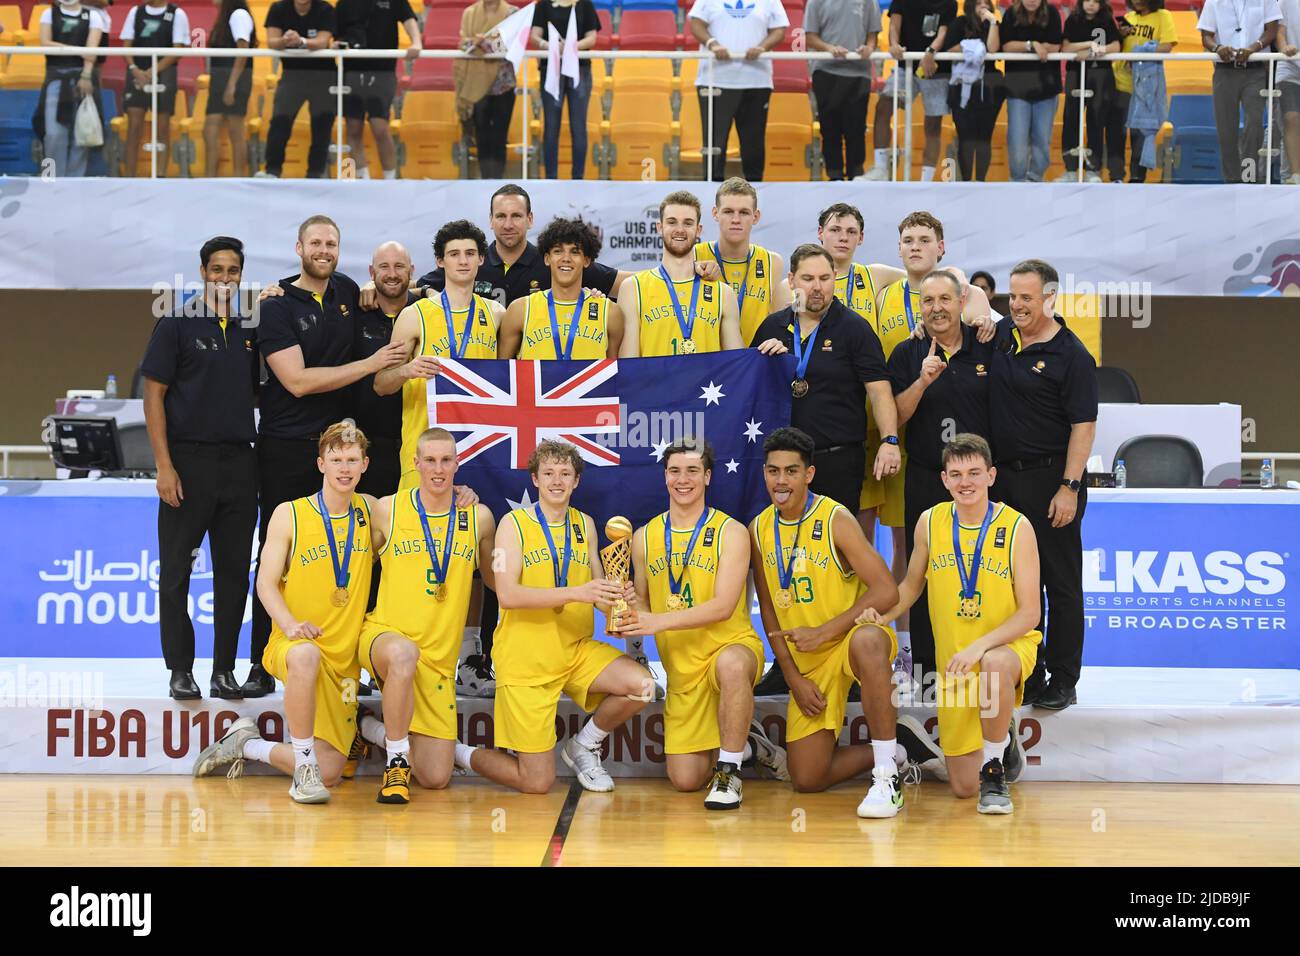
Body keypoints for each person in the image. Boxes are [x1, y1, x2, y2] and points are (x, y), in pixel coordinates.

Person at [245, 215, 407, 697]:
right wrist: (371, 364)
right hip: (286, 447)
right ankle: (261, 661)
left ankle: (358, 660)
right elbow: (296, 381)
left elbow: (396, 284)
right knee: (274, 552)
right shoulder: (274, 306)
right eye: (315, 243)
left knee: (362, 555)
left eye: (331, 243)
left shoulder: (347, 290)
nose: (323, 249)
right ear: (298, 247)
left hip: (340, 452)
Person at [750, 427, 941, 816]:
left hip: (850, 640)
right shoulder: (758, 528)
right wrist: (792, 678)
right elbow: (769, 611)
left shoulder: (835, 518)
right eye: (773, 471)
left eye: (791, 471)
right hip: (808, 664)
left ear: (809, 474)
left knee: (869, 641)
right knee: (807, 778)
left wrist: (824, 631)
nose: (781, 480)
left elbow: (886, 590)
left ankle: (887, 778)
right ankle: (899, 747)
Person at [193, 422, 381, 803]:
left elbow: (423, 513)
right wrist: (290, 624)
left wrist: (461, 493)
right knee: (306, 654)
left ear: (364, 464)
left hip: (343, 663)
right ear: (320, 464)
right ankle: (304, 764)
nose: (344, 468)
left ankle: (247, 744)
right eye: (336, 459)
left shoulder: (373, 510)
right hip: (292, 644)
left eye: (352, 460)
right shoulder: (289, 514)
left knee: (332, 774)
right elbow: (264, 584)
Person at [859, 434, 1041, 813]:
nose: (966, 482)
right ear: (944, 480)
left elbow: (1029, 614)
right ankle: (1001, 742)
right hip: (955, 663)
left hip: (1005, 648)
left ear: (991, 475)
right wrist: (884, 615)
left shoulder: (1017, 526)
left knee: (993, 665)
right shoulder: (930, 521)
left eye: (974, 472)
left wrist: (981, 647)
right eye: (956, 474)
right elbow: (910, 585)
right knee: (961, 787)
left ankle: (994, 769)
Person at [459, 440, 653, 793]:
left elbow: (599, 593)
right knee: (536, 782)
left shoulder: (585, 524)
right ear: (535, 479)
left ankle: (583, 745)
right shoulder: (512, 525)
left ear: (576, 481)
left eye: (565, 474)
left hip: (574, 651)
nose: (557, 481)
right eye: (548, 473)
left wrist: (618, 599)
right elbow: (507, 594)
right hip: (525, 660)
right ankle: (456, 752)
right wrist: (578, 592)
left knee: (641, 686)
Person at [619, 440, 788, 810]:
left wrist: (656, 620)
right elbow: (645, 602)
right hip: (683, 668)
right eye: (675, 470)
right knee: (685, 781)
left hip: (730, 648)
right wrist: (629, 610)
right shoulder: (643, 537)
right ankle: (749, 742)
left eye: (693, 470)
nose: (683, 479)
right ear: (665, 477)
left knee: (731, 664)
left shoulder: (731, 532)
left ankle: (729, 772)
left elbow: (724, 606)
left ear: (708, 477)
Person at [372, 221, 501, 698]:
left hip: (480, 456)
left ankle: (468, 656)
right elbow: (380, 384)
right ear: (441, 261)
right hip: (421, 459)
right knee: (409, 555)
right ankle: (395, 649)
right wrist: (407, 369)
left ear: (479, 260)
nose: (463, 261)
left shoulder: (496, 315)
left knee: (470, 557)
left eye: (471, 253)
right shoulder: (416, 315)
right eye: (454, 253)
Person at [141, 236, 259, 701]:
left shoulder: (251, 328)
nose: (225, 279)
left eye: (233, 271)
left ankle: (224, 670)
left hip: (239, 463)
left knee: (233, 573)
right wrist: (164, 466)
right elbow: (153, 395)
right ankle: (180, 670)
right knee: (175, 572)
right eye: (217, 270)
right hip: (187, 463)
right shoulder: (176, 323)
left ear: (240, 275)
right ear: (203, 272)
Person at [350, 428, 497, 803]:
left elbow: (498, 583)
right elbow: (353, 570)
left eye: (446, 460)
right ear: (415, 464)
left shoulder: (478, 518)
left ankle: (364, 726)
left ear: (457, 464)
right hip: (386, 638)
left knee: (434, 777)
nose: (438, 468)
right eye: (429, 460)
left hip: (437, 664)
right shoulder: (388, 508)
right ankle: (396, 764)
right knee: (403, 655)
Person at [989, 259, 1097, 711]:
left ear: (1049, 298)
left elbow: (1084, 425)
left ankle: (1064, 678)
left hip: (1053, 482)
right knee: (1018, 587)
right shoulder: (999, 339)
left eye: (1027, 298)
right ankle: (1029, 674)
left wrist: (1069, 486)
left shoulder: (1072, 355)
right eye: (1012, 297)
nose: (1016, 305)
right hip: (1005, 482)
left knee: (1061, 584)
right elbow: (963, 297)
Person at [885, 269, 995, 684]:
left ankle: (984, 663)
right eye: (928, 302)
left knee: (984, 569)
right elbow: (893, 415)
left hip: (979, 483)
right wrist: (922, 381)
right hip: (928, 476)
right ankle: (929, 670)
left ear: (961, 301)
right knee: (927, 571)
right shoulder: (907, 353)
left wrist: (987, 319)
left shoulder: (988, 345)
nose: (936, 309)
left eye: (944, 300)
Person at [751, 244, 901, 514]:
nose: (817, 287)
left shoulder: (855, 329)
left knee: (836, 549)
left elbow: (879, 391)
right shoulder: (772, 327)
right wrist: (764, 359)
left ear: (834, 277)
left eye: (824, 278)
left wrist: (890, 441)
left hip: (838, 461)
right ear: (792, 279)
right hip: (783, 465)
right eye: (808, 279)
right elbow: (749, 388)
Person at [410, 184, 628, 306]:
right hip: (483, 373)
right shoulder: (471, 262)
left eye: (516, 216)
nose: (508, 224)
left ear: (530, 219)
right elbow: (414, 285)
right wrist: (374, 287)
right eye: (501, 216)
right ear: (490, 220)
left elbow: (631, 283)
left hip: (535, 376)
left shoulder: (554, 261)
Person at [617, 191, 743, 356]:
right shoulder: (633, 289)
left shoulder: (723, 293)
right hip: (656, 383)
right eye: (672, 222)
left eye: (688, 223)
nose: (680, 230)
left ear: (698, 230)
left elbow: (737, 363)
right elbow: (629, 367)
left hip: (705, 383)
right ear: (659, 227)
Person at [687, 0, 790, 181]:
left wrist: (762, 47)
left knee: (753, 143)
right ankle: (713, 191)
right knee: (714, 144)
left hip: (756, 80)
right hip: (715, 79)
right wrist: (713, 44)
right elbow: (696, 24)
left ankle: (755, 191)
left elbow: (779, 29)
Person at [499, 216, 625, 358]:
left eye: (575, 252)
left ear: (587, 260)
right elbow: (503, 374)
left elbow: (615, 375)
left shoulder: (610, 312)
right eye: (558, 251)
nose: (566, 258)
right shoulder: (520, 309)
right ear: (547, 259)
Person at [862, 0, 957, 182]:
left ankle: (926, 179)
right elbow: (894, 24)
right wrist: (894, 44)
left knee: (933, 125)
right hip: (905, 67)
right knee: (883, 106)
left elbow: (944, 32)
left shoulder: (948, 3)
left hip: (936, 70)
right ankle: (881, 168)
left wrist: (930, 52)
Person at [692, 177, 791, 347]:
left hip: (755, 363)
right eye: (728, 211)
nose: (736, 219)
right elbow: (654, 277)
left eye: (744, 212)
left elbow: (779, 322)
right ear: (715, 213)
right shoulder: (695, 255)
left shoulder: (772, 262)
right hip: (711, 364)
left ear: (755, 216)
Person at [1199, 0, 1282, 183]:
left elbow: (1272, 31)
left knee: (1254, 125)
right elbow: (1206, 36)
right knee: (1226, 129)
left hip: (1255, 70)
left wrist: (1253, 47)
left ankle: (1249, 178)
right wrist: (1218, 48)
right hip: (1224, 71)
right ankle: (1232, 180)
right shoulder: (1214, 2)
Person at [336, 0, 421, 180]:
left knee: (380, 126)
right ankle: (362, 177)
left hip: (382, 70)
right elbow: (338, 34)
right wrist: (338, 43)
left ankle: (390, 179)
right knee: (353, 127)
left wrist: (416, 42)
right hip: (352, 70)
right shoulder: (344, 3)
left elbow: (409, 19)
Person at [804, 0, 883, 181]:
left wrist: (869, 47)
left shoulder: (869, 1)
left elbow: (873, 34)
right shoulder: (815, 2)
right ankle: (834, 175)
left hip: (859, 72)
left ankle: (856, 175)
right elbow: (810, 36)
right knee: (829, 128)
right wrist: (829, 48)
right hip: (826, 70)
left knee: (856, 128)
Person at [259, 0, 337, 179]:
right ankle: (272, 171)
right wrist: (285, 40)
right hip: (292, 75)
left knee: (322, 126)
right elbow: (272, 41)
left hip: (323, 76)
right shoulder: (278, 8)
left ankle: (315, 174)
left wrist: (300, 41)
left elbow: (322, 42)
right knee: (280, 122)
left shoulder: (325, 9)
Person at [34, 0, 108, 178]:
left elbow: (91, 51)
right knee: (53, 134)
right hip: (55, 78)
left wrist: (86, 75)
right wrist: (77, 49)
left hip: (82, 78)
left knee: (81, 135)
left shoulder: (94, 16)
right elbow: (45, 43)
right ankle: (51, 179)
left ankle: (74, 181)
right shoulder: (48, 14)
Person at [120, 2, 191, 177]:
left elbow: (177, 50)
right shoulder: (135, 12)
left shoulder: (177, 14)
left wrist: (152, 71)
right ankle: (130, 176)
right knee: (134, 126)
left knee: (162, 126)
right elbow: (126, 46)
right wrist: (135, 70)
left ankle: (160, 175)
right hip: (137, 72)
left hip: (164, 73)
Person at [531, 0, 600, 180]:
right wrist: (550, 46)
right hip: (551, 68)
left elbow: (592, 37)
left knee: (578, 127)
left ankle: (578, 178)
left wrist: (571, 47)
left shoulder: (585, 4)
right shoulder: (543, 5)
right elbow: (535, 35)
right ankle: (551, 178)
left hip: (580, 68)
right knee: (551, 126)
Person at [1108, 0, 1174, 183]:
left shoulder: (1163, 16)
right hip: (1121, 81)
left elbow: (1167, 46)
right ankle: (1116, 177)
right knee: (1116, 133)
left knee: (1140, 134)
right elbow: (1116, 46)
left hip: (1146, 86)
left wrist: (1141, 53)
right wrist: (1120, 36)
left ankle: (1137, 178)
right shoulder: (1129, 18)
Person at [998, 0, 1063, 182]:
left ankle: (1035, 178)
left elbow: (1055, 46)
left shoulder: (1052, 12)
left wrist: (1032, 47)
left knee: (1042, 140)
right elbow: (1006, 46)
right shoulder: (1011, 13)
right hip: (1017, 88)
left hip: (1047, 88)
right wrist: (1032, 45)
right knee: (1017, 141)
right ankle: (1017, 181)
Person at [1057, 0, 1120, 181]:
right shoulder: (1073, 21)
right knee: (1071, 121)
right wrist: (1088, 44)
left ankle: (1093, 170)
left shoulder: (1107, 21)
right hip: (1075, 74)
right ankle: (1070, 170)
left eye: (1095, 1)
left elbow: (1116, 46)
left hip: (1101, 75)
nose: (1091, 5)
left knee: (1096, 121)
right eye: (1087, 1)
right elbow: (1066, 47)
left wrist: (1096, 51)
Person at [456, 0, 517, 179]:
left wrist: (481, 44)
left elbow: (509, 45)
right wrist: (478, 43)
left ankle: (497, 182)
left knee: (499, 137)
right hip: (476, 85)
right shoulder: (469, 13)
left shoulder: (512, 13)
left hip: (503, 85)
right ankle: (485, 181)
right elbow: (464, 45)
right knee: (481, 138)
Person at [943, 0, 1004, 182]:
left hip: (990, 87)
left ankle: (981, 180)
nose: (983, 6)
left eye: (986, 3)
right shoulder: (960, 23)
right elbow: (949, 47)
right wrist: (973, 47)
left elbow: (993, 48)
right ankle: (967, 181)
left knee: (984, 137)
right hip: (962, 87)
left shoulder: (993, 25)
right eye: (978, 3)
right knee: (966, 136)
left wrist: (992, 22)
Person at [205, 0, 258, 177]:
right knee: (210, 128)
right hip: (219, 80)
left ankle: (238, 177)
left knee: (236, 131)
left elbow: (243, 49)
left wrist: (232, 84)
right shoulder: (223, 18)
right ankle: (210, 177)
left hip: (235, 80)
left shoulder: (239, 15)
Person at [1279, 0, 1300, 184]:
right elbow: (1280, 32)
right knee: (1290, 117)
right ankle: (1295, 176)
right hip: (1289, 67)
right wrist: (1284, 46)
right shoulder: (1286, 1)